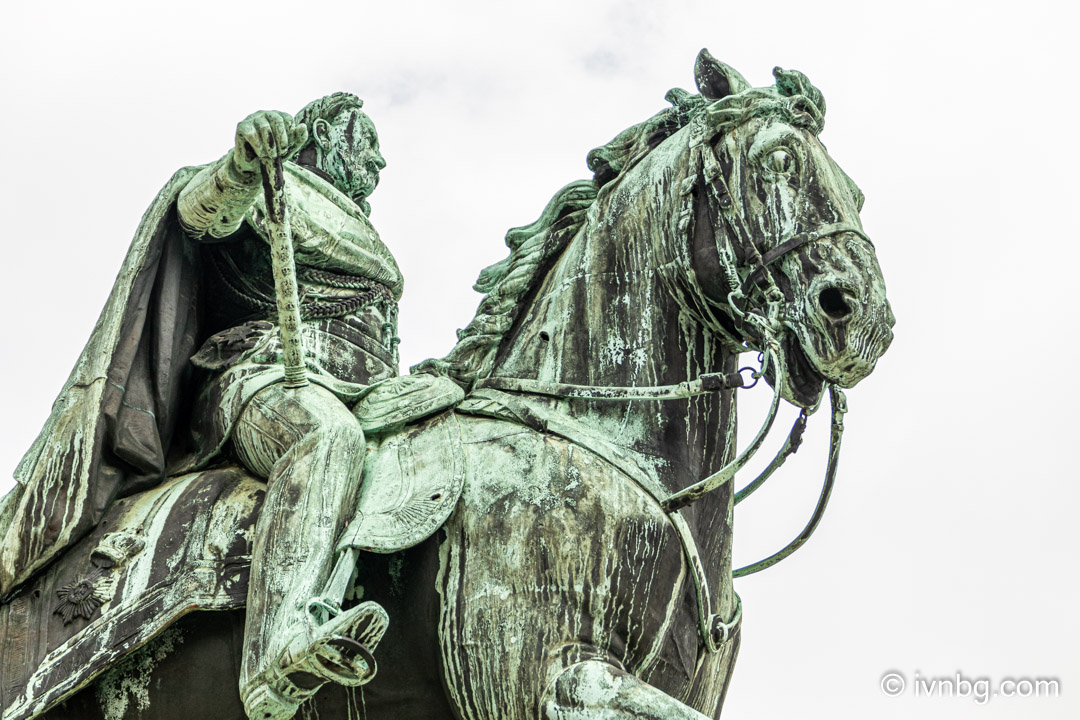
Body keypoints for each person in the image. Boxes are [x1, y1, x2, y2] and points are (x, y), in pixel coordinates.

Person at [1, 93, 438, 720]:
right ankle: (278, 651)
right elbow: (202, 213)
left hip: (366, 388)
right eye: (366, 141)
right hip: (264, 381)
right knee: (324, 440)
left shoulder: (360, 229)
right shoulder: (277, 182)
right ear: (323, 133)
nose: (380, 160)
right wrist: (239, 165)